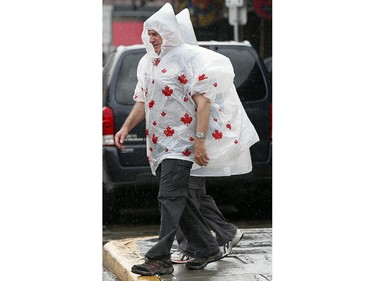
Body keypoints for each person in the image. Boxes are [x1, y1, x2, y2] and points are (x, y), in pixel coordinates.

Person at [115, 3, 259, 276]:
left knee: (169, 197)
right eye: (149, 33)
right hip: (158, 144)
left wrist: (200, 141)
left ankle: (159, 257)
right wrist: (124, 128)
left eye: (156, 33)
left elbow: (202, 103)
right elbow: (142, 100)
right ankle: (206, 247)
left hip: (182, 143)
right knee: (183, 200)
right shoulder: (147, 63)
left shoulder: (187, 60)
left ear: (169, 33)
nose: (151, 38)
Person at [170, 8, 247, 264]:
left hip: (190, 142)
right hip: (187, 141)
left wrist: (199, 142)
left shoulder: (193, 65)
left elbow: (202, 105)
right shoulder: (196, 61)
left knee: (184, 197)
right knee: (193, 195)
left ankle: (196, 245)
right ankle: (219, 235)